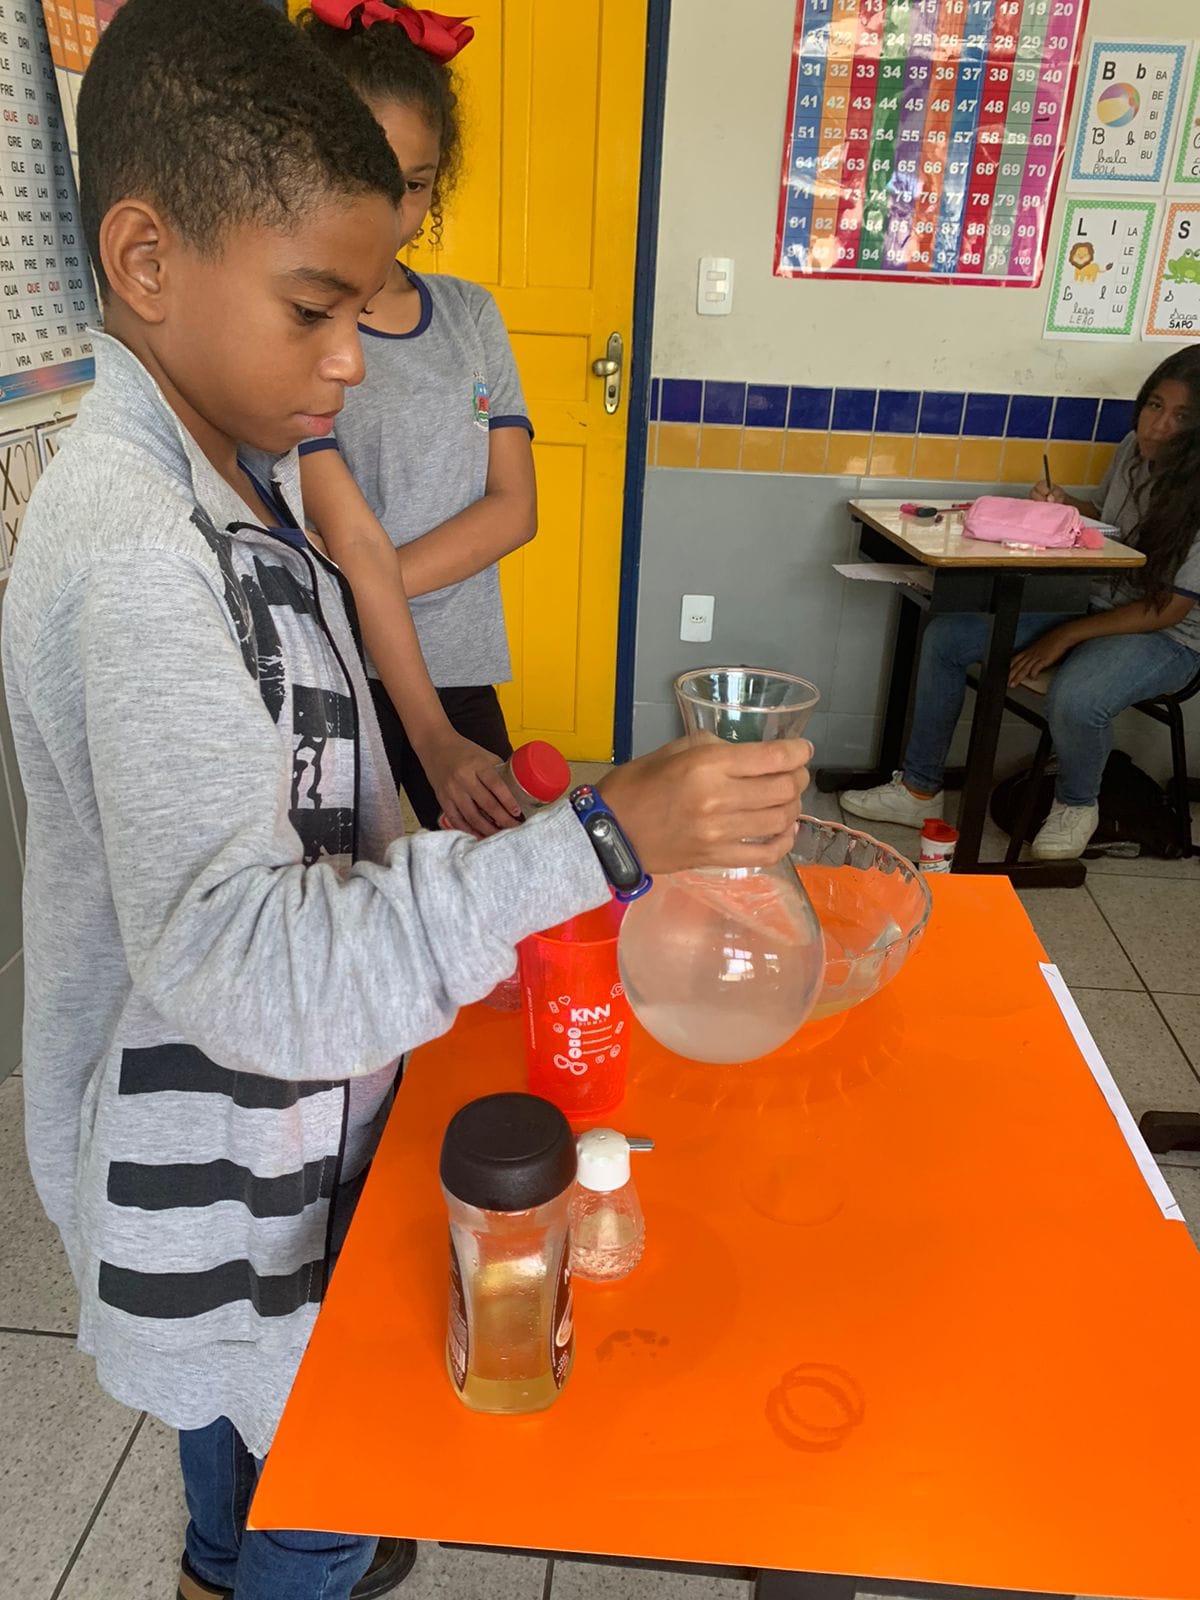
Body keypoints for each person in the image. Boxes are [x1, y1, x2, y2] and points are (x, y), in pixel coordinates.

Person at [0, 4, 812, 1599]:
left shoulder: (242, 476)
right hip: (215, 1186)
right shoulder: (141, 558)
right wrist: (601, 842)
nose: (351, 357)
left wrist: (438, 846)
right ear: (146, 260)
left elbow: (307, 781)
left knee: (250, 1468)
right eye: (315, 307)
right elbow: (236, 963)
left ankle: (219, 1563)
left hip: (266, 1152)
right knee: (326, 1491)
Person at [297, 0, 534, 837]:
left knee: (497, 868)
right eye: (363, 174)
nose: (391, 210)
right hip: (334, 668)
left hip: (456, 662)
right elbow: (335, 524)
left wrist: (369, 581)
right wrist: (360, 582)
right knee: (343, 882)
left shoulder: (470, 315)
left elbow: (514, 507)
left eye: (416, 183)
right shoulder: (297, 328)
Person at [842, 350, 1200, 861]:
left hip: (1166, 635)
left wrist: (1063, 636)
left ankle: (1077, 804)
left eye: (1182, 416)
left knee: (1076, 697)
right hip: (1095, 600)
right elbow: (1109, 519)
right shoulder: (1130, 450)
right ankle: (919, 792)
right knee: (946, 637)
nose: (1158, 426)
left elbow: (1169, 610)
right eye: (1154, 405)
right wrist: (1065, 506)